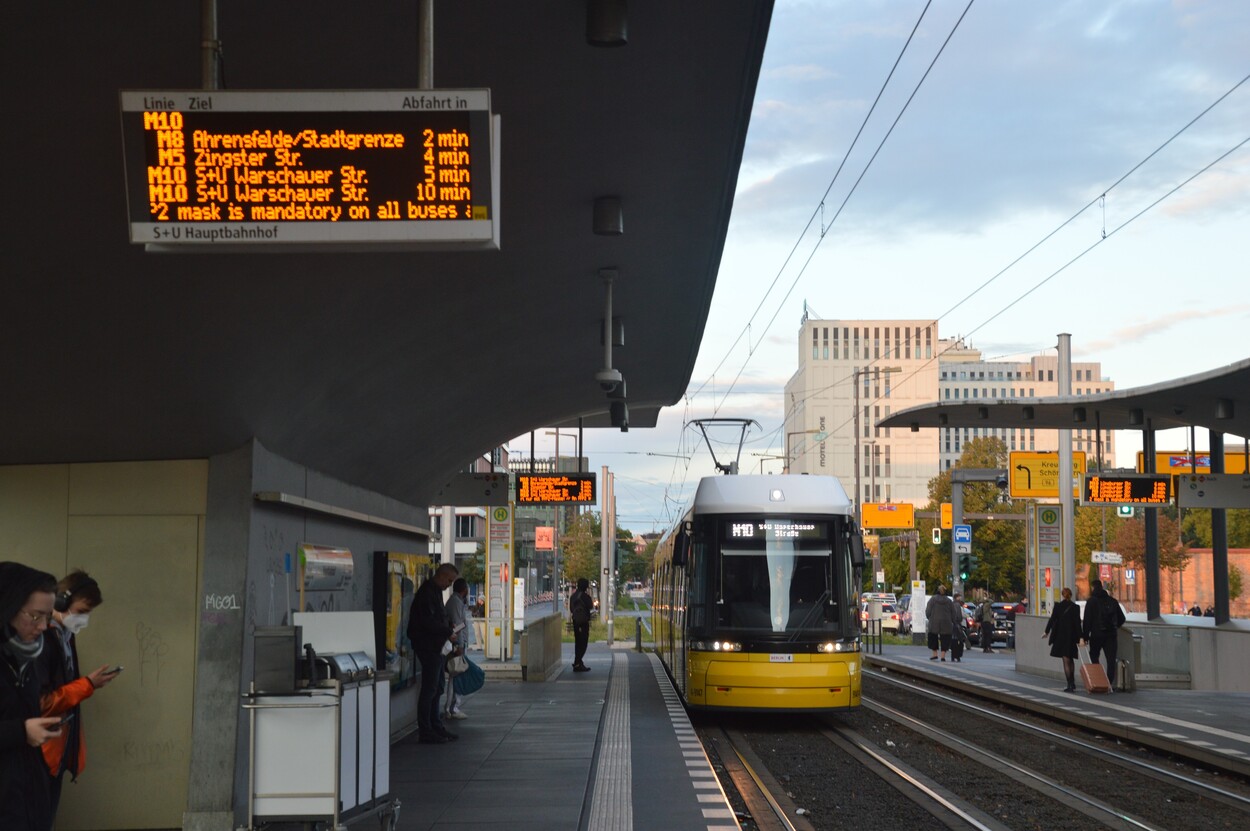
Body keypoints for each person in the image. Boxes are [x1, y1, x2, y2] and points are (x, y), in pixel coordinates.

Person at [38, 570, 120, 820]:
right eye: (82, 611)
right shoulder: (42, 640)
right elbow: (43, 702)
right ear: (61, 602)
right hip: (39, 750)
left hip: (57, 748)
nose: (84, 619)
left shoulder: (65, 636)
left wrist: (89, 685)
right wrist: (87, 685)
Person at [1, 561, 62, 831]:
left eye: (48, 617)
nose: (43, 626)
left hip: (27, 794)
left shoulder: (29, 656)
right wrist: (21, 731)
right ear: (8, 607)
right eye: (35, 616)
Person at [406, 563, 460, 744]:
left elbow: (437, 617)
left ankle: (435, 725)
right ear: (442, 576)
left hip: (435, 646)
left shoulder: (434, 592)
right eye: (449, 581)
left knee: (437, 687)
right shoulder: (428, 593)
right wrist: (447, 631)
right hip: (428, 646)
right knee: (430, 689)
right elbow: (428, 621)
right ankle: (426, 730)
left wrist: (448, 627)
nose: (449, 585)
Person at [1082, 579, 1126, 690]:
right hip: (1111, 635)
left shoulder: (1091, 601)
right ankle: (1109, 683)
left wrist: (1085, 637)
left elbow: (1087, 621)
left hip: (1096, 635)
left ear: (1092, 588)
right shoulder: (1113, 601)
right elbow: (1122, 618)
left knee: (1094, 656)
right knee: (1111, 660)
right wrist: (1114, 627)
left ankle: (1099, 680)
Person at [442, 578, 473, 720]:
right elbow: (457, 625)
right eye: (467, 588)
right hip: (456, 646)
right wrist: (460, 645)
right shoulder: (455, 603)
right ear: (464, 589)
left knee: (457, 675)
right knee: (455, 675)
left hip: (458, 644)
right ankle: (451, 707)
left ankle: (453, 706)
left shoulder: (458, 602)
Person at [1043, 587, 1082, 692]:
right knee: (1071, 659)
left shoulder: (1058, 607)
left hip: (1061, 636)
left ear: (1062, 595)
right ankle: (1072, 683)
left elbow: (1052, 620)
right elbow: (1078, 624)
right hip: (1072, 637)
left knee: (1065, 660)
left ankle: (1069, 684)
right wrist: (1081, 637)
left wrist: (1046, 632)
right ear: (1071, 595)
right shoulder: (1075, 607)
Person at [925, 586, 958, 662]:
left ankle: (935, 654)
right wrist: (954, 621)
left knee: (933, 637)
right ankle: (943, 656)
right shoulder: (949, 601)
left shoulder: (933, 599)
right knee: (945, 638)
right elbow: (953, 612)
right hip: (946, 622)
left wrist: (929, 617)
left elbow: (928, 611)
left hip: (934, 621)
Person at [569, 578, 593, 672]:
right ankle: (578, 663)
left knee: (578, 642)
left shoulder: (573, 596)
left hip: (575, 621)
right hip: (583, 622)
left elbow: (571, 609)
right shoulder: (585, 596)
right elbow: (590, 606)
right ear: (585, 586)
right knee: (583, 643)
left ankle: (577, 662)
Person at [950, 593, 968, 662]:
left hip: (951, 624)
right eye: (959, 598)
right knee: (959, 641)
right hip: (957, 624)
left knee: (953, 640)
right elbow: (959, 616)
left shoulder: (951, 604)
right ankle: (958, 656)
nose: (960, 599)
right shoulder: (958, 605)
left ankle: (953, 656)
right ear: (957, 598)